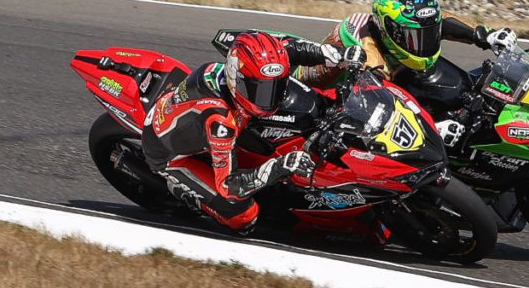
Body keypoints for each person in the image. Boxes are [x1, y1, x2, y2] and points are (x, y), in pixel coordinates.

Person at [142, 30, 365, 234]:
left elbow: (294, 48)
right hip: (170, 153)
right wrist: (280, 166)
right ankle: (181, 189)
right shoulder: (221, 122)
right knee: (243, 217)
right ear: (236, 81)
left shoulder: (255, 58)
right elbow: (228, 186)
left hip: (198, 118)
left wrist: (343, 55)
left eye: (276, 87)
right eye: (260, 91)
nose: (269, 99)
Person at [294, 0, 517, 146]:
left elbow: (440, 21)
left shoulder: (394, 27)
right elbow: (379, 106)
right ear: (389, 32)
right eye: (414, 39)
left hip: (378, 78)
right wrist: (432, 128)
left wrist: (486, 35)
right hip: (332, 106)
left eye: (426, 37)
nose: (424, 44)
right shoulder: (369, 53)